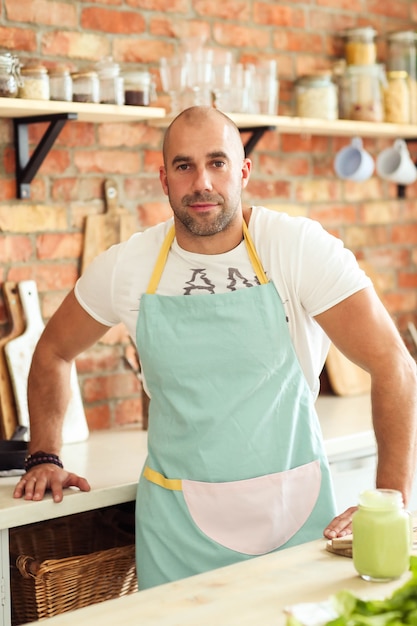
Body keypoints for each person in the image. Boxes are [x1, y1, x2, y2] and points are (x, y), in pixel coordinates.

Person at [14, 106, 417, 590]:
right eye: (184, 166)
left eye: (217, 162)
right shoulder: (129, 265)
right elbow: (53, 351)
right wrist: (44, 456)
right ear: (164, 179)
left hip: (296, 516)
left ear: (243, 170)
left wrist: (391, 495)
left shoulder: (296, 248)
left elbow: (393, 363)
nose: (201, 182)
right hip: (177, 532)